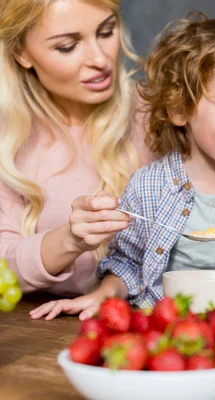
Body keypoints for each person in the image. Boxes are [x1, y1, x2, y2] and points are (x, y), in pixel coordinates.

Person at [31, 12, 215, 323]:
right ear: (179, 109)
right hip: (167, 331)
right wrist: (101, 296)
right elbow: (127, 266)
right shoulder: (149, 185)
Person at [0, 0, 155, 298]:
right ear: (21, 53)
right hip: (43, 335)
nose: (100, 59)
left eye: (106, 31)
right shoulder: (8, 141)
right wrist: (71, 239)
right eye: (68, 47)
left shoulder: (160, 115)